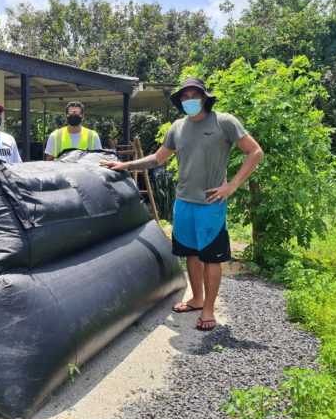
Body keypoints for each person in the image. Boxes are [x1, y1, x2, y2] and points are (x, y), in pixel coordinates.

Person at [100, 77, 263, 331]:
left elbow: (255, 152)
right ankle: (197, 298)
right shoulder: (177, 127)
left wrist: (232, 186)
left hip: (211, 204)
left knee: (211, 258)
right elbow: (158, 158)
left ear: (205, 97)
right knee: (190, 253)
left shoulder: (224, 122)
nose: (189, 101)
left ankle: (208, 309)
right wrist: (126, 165)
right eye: (184, 97)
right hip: (183, 202)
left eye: (193, 96)